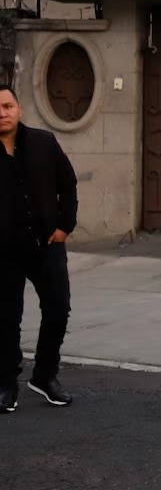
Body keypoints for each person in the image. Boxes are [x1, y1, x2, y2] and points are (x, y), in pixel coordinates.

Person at [0, 84, 77, 414]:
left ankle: (45, 376)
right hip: (4, 253)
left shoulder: (44, 143)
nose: (2, 113)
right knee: (6, 320)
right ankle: (6, 384)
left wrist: (65, 226)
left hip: (46, 245)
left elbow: (68, 183)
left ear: (19, 110)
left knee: (58, 309)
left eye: (7, 106)